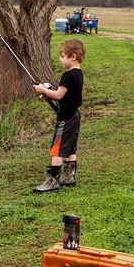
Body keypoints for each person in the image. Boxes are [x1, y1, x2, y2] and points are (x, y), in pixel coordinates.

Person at [32, 39, 85, 193]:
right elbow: (65, 95)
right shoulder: (78, 73)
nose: (60, 59)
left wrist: (43, 90)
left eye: (62, 56)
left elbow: (59, 95)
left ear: (73, 56)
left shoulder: (68, 75)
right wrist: (48, 94)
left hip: (66, 118)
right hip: (74, 115)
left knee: (57, 148)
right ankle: (69, 177)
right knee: (70, 148)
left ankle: (52, 182)